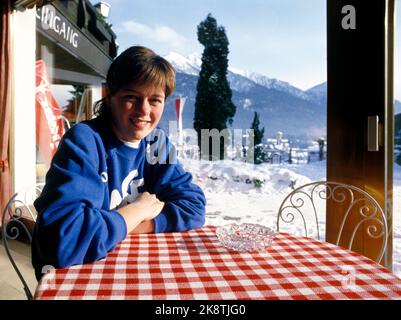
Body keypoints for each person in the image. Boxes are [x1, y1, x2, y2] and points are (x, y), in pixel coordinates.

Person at [32, 46, 206, 280]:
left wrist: (121, 226)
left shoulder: (156, 143)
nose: (144, 110)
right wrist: (139, 209)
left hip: (129, 267)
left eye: (154, 100)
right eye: (131, 97)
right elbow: (64, 243)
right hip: (74, 276)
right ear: (109, 95)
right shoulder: (85, 141)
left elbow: (193, 207)